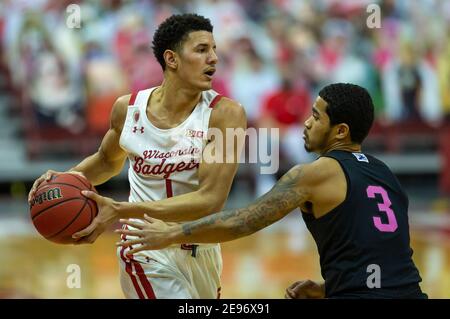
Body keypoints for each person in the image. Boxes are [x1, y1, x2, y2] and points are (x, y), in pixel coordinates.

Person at [117, 83, 427, 299]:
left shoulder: (314, 174)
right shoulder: (384, 173)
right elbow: (386, 258)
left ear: (341, 131)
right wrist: (327, 288)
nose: (306, 123)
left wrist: (171, 234)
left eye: (316, 116)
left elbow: (244, 221)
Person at [28, 13, 247, 299]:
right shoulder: (128, 109)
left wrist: (120, 210)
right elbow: (107, 161)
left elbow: (210, 199)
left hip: (201, 247)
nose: (214, 58)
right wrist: (64, 180)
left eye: (215, 49)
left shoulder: (226, 114)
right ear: (172, 59)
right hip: (144, 246)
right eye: (202, 50)